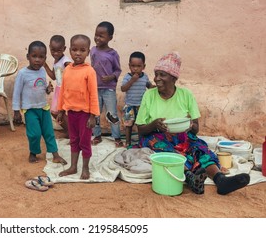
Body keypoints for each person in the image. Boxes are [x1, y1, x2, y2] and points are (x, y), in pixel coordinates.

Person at [135, 52, 250, 195]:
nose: (157, 79)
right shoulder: (149, 96)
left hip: (183, 135)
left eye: (162, 75)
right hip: (156, 136)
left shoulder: (186, 95)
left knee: (199, 148)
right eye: (156, 74)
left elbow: (195, 129)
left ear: (173, 78)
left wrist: (191, 126)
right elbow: (140, 129)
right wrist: (154, 125)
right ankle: (190, 178)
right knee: (165, 148)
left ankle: (221, 180)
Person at [12, 40, 67, 165]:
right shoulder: (22, 74)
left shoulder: (42, 71)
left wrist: (47, 89)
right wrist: (16, 110)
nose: (37, 60)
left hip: (43, 108)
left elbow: (41, 87)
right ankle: (33, 152)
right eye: (34, 56)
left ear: (45, 58)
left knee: (49, 132)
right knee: (34, 134)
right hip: (30, 109)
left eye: (41, 57)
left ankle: (55, 154)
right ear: (28, 57)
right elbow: (16, 92)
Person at [57, 34, 99, 180]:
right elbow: (63, 91)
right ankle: (73, 167)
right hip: (71, 114)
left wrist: (93, 116)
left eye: (82, 50)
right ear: (69, 50)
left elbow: (93, 94)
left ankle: (85, 168)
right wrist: (61, 110)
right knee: (74, 140)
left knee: (84, 141)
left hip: (85, 115)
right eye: (74, 50)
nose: (78, 53)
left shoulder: (89, 71)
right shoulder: (68, 70)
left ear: (88, 52)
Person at [90, 21, 123, 147]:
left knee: (112, 114)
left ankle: (117, 137)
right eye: (96, 35)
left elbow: (118, 70)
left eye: (101, 36)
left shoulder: (113, 54)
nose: (97, 38)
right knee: (95, 113)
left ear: (110, 38)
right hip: (95, 88)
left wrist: (111, 77)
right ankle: (97, 135)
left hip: (108, 89)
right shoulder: (92, 51)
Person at [120, 51, 154, 147]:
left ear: (143, 66)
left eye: (138, 66)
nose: (135, 68)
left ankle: (141, 142)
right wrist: (132, 80)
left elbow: (148, 85)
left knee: (141, 125)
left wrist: (153, 87)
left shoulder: (145, 76)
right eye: (133, 66)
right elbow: (123, 89)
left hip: (141, 106)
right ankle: (128, 142)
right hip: (129, 106)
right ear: (129, 65)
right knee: (128, 125)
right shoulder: (127, 77)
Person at [43, 35, 72, 135]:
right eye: (53, 50)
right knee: (55, 112)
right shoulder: (56, 61)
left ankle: (71, 132)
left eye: (58, 51)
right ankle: (69, 131)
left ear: (64, 49)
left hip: (65, 90)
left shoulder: (65, 61)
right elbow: (54, 77)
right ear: (49, 48)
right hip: (58, 90)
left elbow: (72, 69)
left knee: (60, 111)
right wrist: (45, 65)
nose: (55, 53)